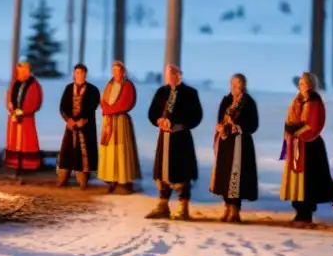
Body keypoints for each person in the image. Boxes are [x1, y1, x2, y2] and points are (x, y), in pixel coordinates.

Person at [146, 65, 203, 218]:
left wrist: (179, 124)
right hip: (164, 139)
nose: (169, 77)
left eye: (173, 74)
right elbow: (152, 113)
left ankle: (183, 207)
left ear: (179, 76)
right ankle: (162, 205)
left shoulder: (190, 93)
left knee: (181, 172)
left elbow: (196, 116)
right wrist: (158, 120)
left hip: (180, 140)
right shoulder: (161, 92)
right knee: (162, 172)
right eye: (167, 74)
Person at [280, 72, 333, 226]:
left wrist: (295, 131)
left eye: (305, 83)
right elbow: (291, 120)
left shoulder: (314, 101)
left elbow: (312, 124)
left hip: (309, 146)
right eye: (301, 83)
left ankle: (306, 214)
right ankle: (299, 211)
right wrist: (289, 130)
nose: (302, 86)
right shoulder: (298, 100)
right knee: (297, 180)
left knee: (308, 181)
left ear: (311, 84)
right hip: (297, 145)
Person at [209, 73, 259, 223]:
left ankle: (235, 209)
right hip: (226, 142)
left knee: (237, 177)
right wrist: (220, 126)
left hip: (240, 143)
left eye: (238, 84)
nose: (235, 87)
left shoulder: (248, 102)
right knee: (225, 175)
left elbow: (253, 124)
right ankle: (226, 206)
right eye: (233, 84)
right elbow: (220, 118)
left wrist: (238, 126)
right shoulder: (226, 100)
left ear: (243, 85)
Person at [98, 61, 141, 194]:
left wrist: (109, 110)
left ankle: (124, 179)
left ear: (123, 71)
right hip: (109, 122)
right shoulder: (109, 84)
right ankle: (111, 178)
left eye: (118, 70)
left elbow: (125, 103)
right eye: (114, 70)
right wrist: (105, 109)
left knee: (121, 148)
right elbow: (103, 100)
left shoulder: (128, 85)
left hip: (121, 121)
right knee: (110, 149)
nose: (116, 73)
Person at [57, 63, 101, 189]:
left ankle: (82, 180)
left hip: (85, 126)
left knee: (84, 153)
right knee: (67, 151)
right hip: (71, 126)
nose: (79, 76)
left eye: (82, 73)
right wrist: (68, 120)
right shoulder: (68, 88)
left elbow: (91, 106)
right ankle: (63, 178)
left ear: (85, 75)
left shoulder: (93, 90)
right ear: (73, 74)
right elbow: (63, 106)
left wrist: (80, 120)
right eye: (77, 73)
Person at [5, 60, 43, 177]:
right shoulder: (14, 83)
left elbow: (35, 101)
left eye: (24, 70)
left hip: (26, 119)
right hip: (15, 118)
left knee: (26, 142)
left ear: (28, 71)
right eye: (20, 71)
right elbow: (9, 97)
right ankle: (16, 165)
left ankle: (28, 166)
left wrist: (24, 111)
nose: (22, 73)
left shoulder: (33, 84)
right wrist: (11, 108)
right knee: (15, 142)